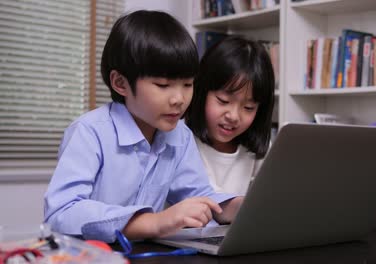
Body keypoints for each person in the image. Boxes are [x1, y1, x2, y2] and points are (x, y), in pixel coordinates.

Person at [43, 10, 243, 243]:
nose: (179, 98)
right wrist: (154, 222)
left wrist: (238, 207)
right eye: (163, 84)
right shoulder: (90, 132)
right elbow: (62, 212)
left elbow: (198, 196)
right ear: (120, 83)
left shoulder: (180, 135)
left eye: (188, 84)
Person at [185, 36, 275, 195]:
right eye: (223, 100)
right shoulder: (182, 140)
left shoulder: (258, 148)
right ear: (201, 92)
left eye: (248, 107)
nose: (233, 116)